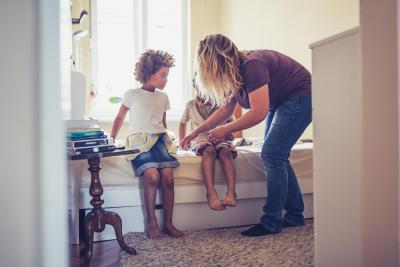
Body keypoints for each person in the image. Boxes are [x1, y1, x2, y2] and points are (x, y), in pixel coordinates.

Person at [181, 34, 312, 237]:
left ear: (213, 60)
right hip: (280, 102)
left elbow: (258, 112)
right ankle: (295, 215)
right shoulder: (233, 72)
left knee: (272, 154)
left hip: (300, 96)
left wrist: (225, 130)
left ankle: (271, 221)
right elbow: (225, 110)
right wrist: (196, 132)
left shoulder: (252, 65)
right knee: (277, 155)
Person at [111, 49, 184, 239]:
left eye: (167, 75)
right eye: (162, 75)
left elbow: (163, 122)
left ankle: (168, 223)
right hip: (139, 140)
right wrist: (111, 139)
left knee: (168, 178)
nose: (166, 79)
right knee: (152, 176)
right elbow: (120, 117)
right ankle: (151, 222)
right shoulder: (131, 94)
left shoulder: (163, 97)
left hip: (159, 139)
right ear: (148, 73)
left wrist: (169, 142)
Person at [179, 82, 237, 211]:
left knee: (225, 152)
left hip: (220, 137)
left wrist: (230, 134)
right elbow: (182, 123)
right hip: (200, 139)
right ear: (195, 88)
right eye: (201, 89)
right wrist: (181, 141)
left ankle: (231, 193)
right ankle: (211, 193)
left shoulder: (222, 103)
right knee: (209, 151)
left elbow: (233, 125)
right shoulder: (190, 105)